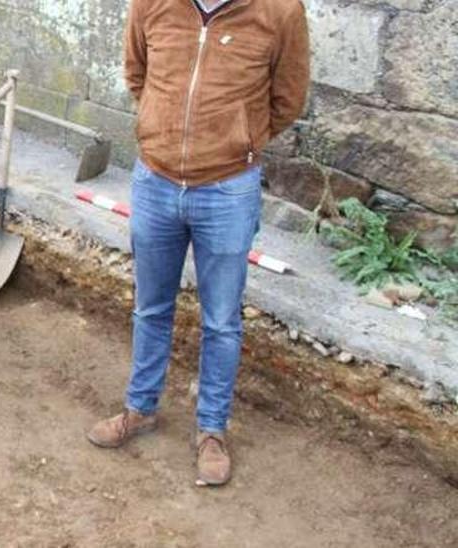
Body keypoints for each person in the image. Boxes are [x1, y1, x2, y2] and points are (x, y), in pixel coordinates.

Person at [86, 0, 310, 486]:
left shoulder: (280, 12)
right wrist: (159, 128)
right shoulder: (151, 3)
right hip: (155, 181)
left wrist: (241, 139)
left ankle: (211, 429)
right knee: (150, 307)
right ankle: (140, 408)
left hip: (228, 188)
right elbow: (137, 72)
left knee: (222, 321)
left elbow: (287, 99)